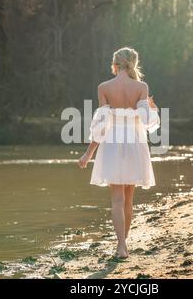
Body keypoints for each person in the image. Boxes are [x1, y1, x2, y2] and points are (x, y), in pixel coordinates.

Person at [78, 47, 160, 259]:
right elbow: (147, 120)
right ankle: (125, 246)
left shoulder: (104, 87)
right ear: (132, 63)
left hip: (112, 144)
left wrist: (88, 154)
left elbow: (100, 126)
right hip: (135, 143)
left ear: (114, 64)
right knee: (129, 199)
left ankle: (120, 246)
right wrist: (153, 108)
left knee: (116, 199)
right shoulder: (141, 86)